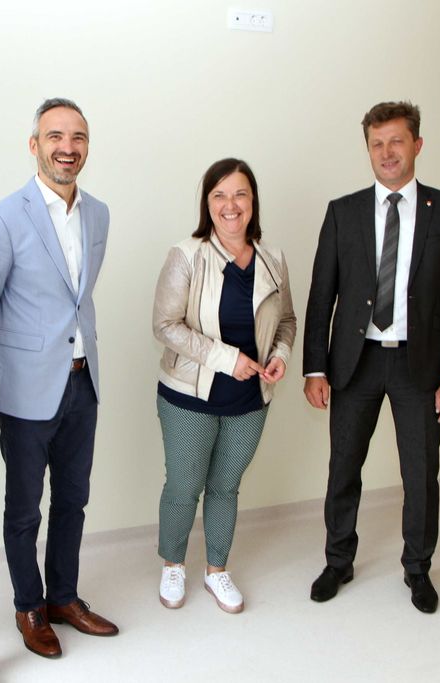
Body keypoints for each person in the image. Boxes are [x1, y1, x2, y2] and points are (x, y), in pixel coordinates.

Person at [303, 101, 440, 613]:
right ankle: (338, 560)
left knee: (420, 473)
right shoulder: (343, 212)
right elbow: (321, 295)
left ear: (417, 145)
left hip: (419, 366)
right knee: (343, 467)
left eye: (396, 141)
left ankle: (417, 569)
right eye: (376, 144)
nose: (387, 152)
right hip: (354, 362)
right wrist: (315, 367)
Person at [0, 97, 118, 659]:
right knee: (25, 509)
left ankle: (64, 598)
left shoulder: (98, 214)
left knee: (73, 500)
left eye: (78, 137)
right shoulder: (4, 216)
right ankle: (29, 606)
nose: (67, 148)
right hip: (25, 391)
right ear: (34, 145)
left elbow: (78, 297)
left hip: (83, 381)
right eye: (55, 136)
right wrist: (12, 361)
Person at [152, 158, 296, 613]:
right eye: (219, 195)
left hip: (250, 398)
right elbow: (165, 325)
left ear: (253, 202)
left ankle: (217, 570)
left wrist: (280, 356)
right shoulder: (186, 254)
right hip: (188, 397)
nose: (230, 205)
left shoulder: (273, 259)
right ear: (207, 203)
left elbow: (287, 320)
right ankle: (173, 564)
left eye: (240, 194)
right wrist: (227, 359)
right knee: (184, 485)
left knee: (226, 487)